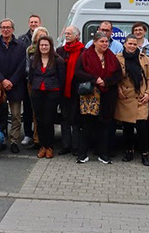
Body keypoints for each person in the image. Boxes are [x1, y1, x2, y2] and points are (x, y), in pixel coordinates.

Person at [75, 31, 122, 164]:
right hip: (90, 95)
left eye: (106, 41)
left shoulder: (112, 57)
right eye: (101, 41)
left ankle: (103, 154)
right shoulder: (85, 55)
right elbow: (78, 73)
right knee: (87, 125)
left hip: (107, 95)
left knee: (104, 125)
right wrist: (95, 79)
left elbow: (118, 74)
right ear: (94, 42)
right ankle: (82, 154)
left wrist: (105, 82)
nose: (104, 44)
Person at [0, 19, 27, 153]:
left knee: (16, 115)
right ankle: (1, 139)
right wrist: (2, 80)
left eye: (8, 27)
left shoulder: (21, 46)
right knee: (0, 114)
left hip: (15, 85)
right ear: (0, 29)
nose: (5, 30)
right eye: (3, 27)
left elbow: (22, 66)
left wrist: (12, 81)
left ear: (13, 29)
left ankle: (14, 141)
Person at [116, 35, 149, 166]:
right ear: (125, 44)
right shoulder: (118, 58)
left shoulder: (144, 59)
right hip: (126, 98)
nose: (132, 46)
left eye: (134, 44)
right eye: (130, 44)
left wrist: (148, 93)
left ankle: (145, 154)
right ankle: (129, 152)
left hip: (141, 97)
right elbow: (114, 76)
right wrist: (118, 88)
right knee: (127, 128)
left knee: (142, 128)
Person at [29, 35, 65, 158]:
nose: (44, 47)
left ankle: (49, 147)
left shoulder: (58, 60)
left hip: (52, 92)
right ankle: (42, 146)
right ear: (38, 47)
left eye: (46, 45)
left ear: (50, 46)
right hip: (37, 92)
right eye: (42, 45)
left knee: (48, 120)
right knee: (39, 120)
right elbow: (31, 77)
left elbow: (61, 79)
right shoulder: (34, 59)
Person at [56, 25, 83, 156]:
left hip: (77, 91)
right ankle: (65, 145)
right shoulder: (60, 51)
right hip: (64, 90)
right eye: (66, 33)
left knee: (76, 120)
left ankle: (76, 147)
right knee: (65, 119)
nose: (66, 35)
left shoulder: (83, 51)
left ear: (77, 36)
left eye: (69, 33)